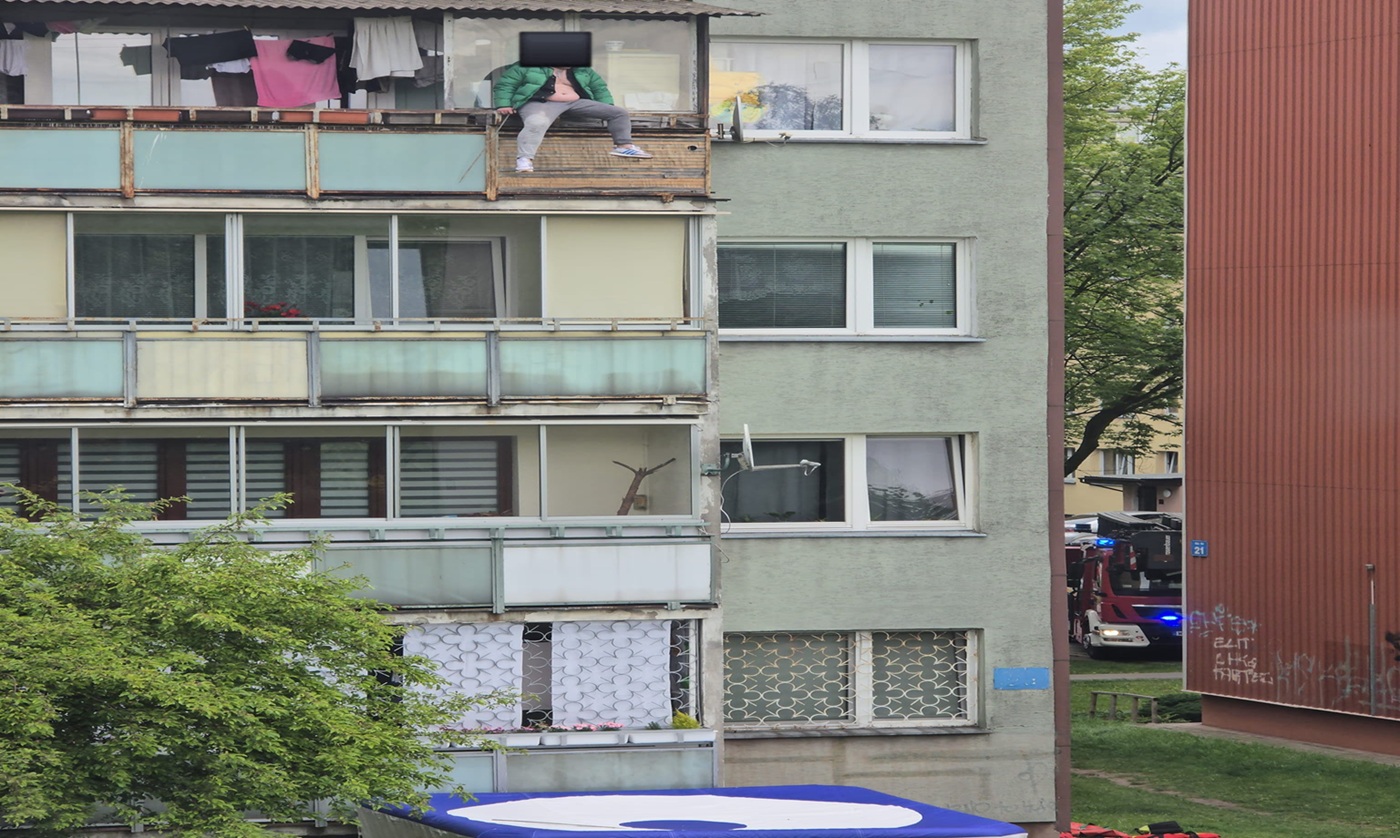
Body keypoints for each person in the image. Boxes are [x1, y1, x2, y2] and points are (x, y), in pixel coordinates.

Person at [493, 62, 652, 172]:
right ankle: (524, 159)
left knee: (619, 113)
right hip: (540, 102)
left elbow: (599, 88)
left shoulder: (582, 69)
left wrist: (606, 106)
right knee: (537, 122)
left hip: (575, 102)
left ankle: (624, 147)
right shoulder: (526, 66)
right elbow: (506, 84)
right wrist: (503, 104)